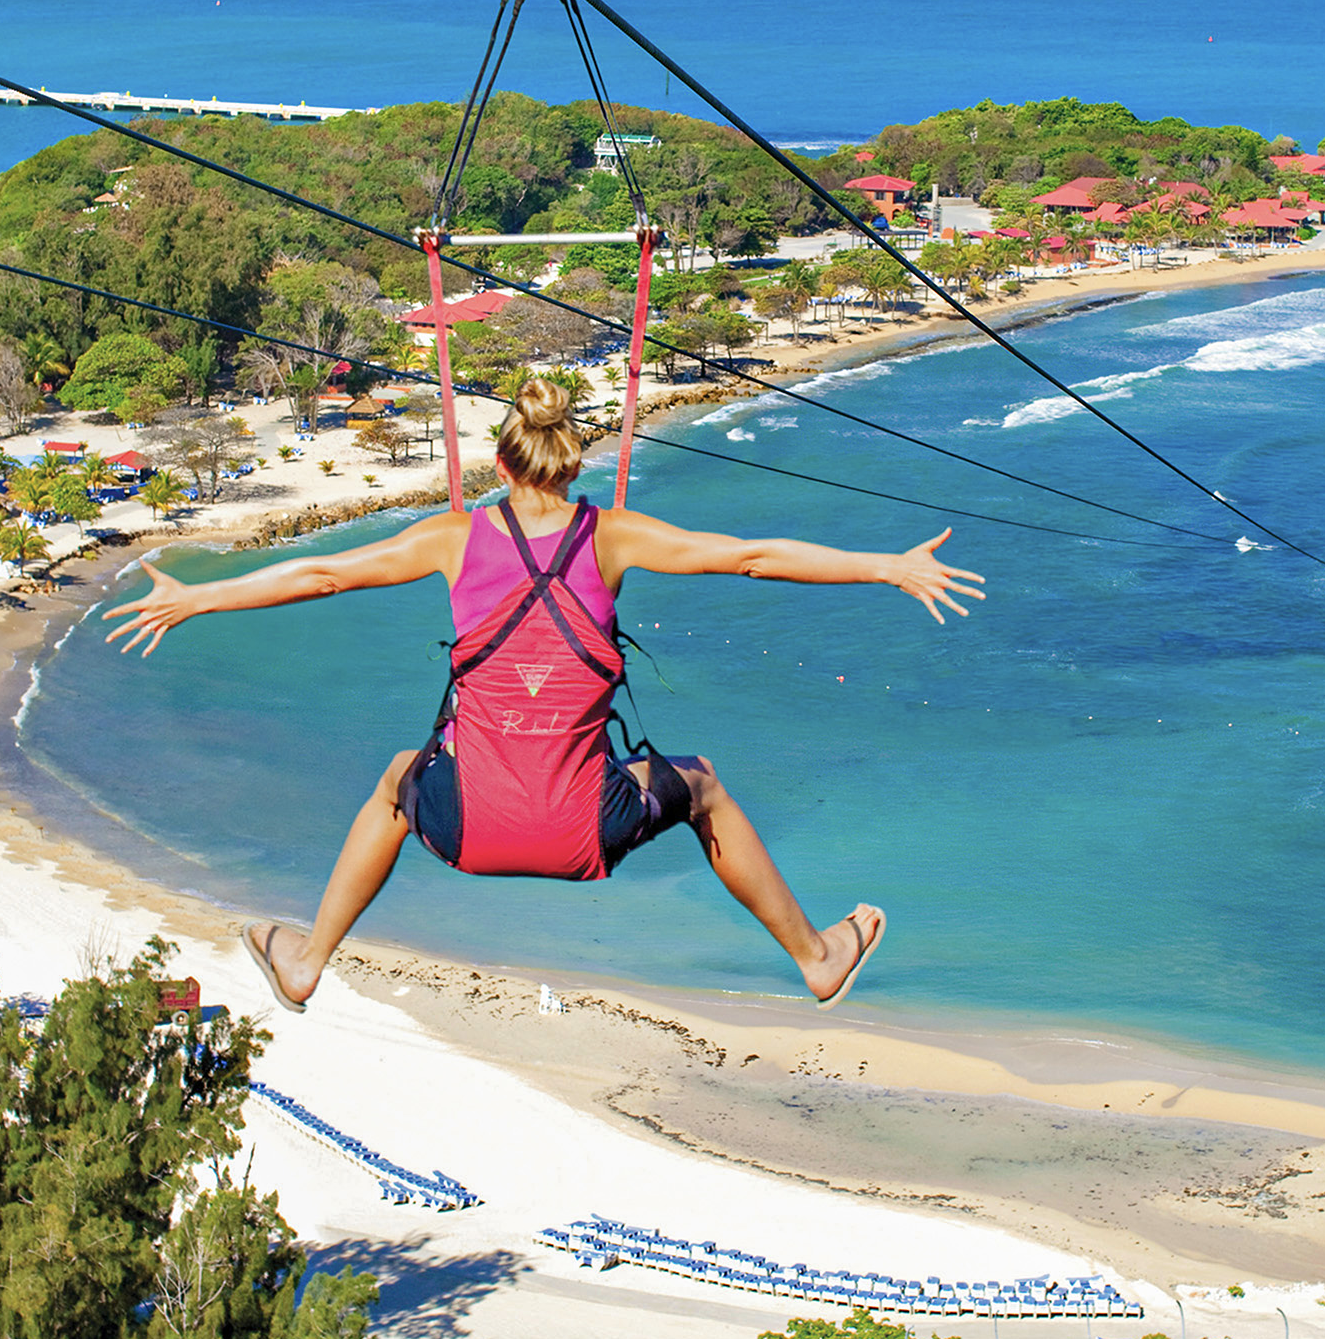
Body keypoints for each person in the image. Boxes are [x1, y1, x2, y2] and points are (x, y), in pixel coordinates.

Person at [101, 376, 985, 1015]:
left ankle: (307, 957)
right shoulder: (616, 537)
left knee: (398, 778)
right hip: (585, 830)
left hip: (464, 829)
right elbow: (754, 554)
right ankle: (816, 956)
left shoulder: (452, 539)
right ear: (572, 464)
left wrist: (196, 597)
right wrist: (887, 568)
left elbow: (326, 574)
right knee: (701, 782)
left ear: (500, 462)